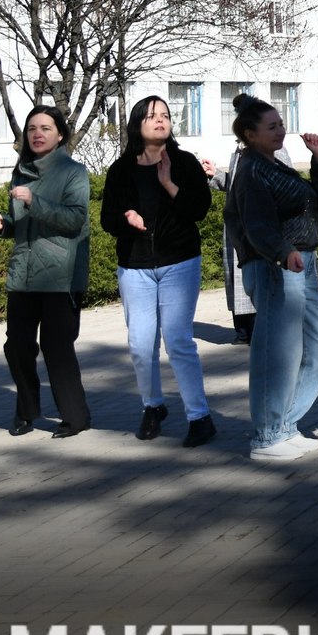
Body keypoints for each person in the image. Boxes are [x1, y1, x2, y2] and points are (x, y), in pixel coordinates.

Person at [224, 93, 318, 462]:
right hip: (277, 266)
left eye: (281, 124)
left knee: (317, 349)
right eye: (271, 126)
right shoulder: (252, 169)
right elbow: (256, 223)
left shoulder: (274, 165)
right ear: (250, 134)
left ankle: (285, 425)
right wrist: (282, 251)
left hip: (303, 263)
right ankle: (267, 436)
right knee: (278, 354)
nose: (280, 131)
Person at [101, 95, 215, 446]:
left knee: (178, 340)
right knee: (139, 343)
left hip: (179, 262)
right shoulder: (121, 169)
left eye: (165, 115)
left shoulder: (183, 162)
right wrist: (126, 219)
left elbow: (199, 209)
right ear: (138, 123)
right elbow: (107, 219)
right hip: (135, 266)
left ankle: (200, 417)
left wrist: (169, 184)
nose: (161, 120)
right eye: (152, 116)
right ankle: (153, 406)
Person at [0, 105, 93, 438]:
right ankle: (26, 411)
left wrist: (34, 202)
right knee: (16, 346)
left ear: (60, 134)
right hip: (23, 275)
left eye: (46, 128)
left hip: (61, 276)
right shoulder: (22, 173)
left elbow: (74, 220)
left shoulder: (74, 172)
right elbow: (22, 226)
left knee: (57, 348)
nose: (37, 134)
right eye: (32, 128)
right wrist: (4, 225)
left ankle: (75, 418)